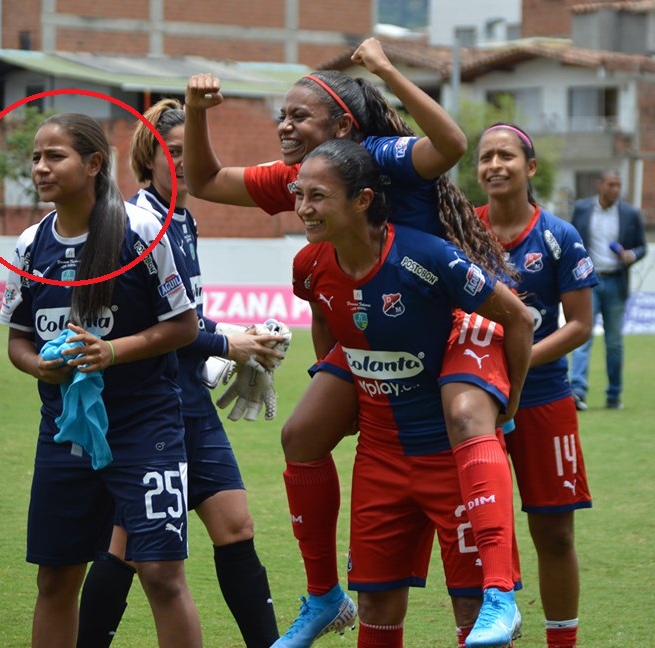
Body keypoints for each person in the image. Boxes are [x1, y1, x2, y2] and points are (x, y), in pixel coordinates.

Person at [185, 37, 526, 648]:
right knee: (302, 433)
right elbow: (206, 180)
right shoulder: (303, 178)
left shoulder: (378, 158)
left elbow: (449, 145)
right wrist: (198, 108)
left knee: (465, 412)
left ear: (342, 124)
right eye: (280, 116)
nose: (283, 126)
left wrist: (387, 68)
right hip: (377, 328)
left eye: (297, 116)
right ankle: (323, 596)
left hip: (444, 320)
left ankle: (500, 595)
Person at [290, 138, 531, 648]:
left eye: (317, 196)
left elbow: (516, 317)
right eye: (298, 194)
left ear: (362, 200)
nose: (303, 208)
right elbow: (326, 318)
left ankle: (501, 593)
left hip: (451, 458)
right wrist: (338, 386)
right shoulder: (309, 265)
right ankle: (322, 597)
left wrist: (506, 403)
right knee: (376, 603)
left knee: (474, 611)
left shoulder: (423, 257)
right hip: (379, 459)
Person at [75, 99, 284, 647]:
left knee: (235, 526)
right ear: (148, 161)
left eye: (189, 151)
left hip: (189, 400)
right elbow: (158, 327)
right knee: (126, 546)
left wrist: (239, 340)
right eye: (171, 152)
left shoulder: (183, 220)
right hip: (148, 409)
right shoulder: (133, 222)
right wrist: (227, 343)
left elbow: (184, 315)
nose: (183, 162)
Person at [0, 112, 202, 648]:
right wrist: (38, 365)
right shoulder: (29, 245)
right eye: (36, 157)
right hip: (64, 432)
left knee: (160, 573)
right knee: (56, 578)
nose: (41, 167)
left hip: (145, 426)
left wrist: (112, 351)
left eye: (55, 156)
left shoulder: (139, 232)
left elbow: (184, 326)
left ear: (93, 164)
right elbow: (18, 341)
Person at [475, 123, 596, 648]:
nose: (494, 165)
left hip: (545, 399)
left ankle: (561, 642)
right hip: (475, 400)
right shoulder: (459, 230)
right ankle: (486, 626)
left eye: (506, 155)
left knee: (554, 532)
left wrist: (517, 363)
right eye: (485, 157)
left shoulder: (559, 237)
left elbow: (580, 325)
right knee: (481, 533)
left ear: (531, 167)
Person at [569, 169, 646, 410]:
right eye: (611, 184)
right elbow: (570, 240)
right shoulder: (582, 209)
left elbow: (642, 246)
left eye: (618, 185)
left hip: (616, 281)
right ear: (599, 184)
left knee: (614, 343)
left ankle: (614, 394)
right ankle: (578, 390)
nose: (615, 189)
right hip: (587, 281)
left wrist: (631, 255)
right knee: (582, 336)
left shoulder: (630, 213)